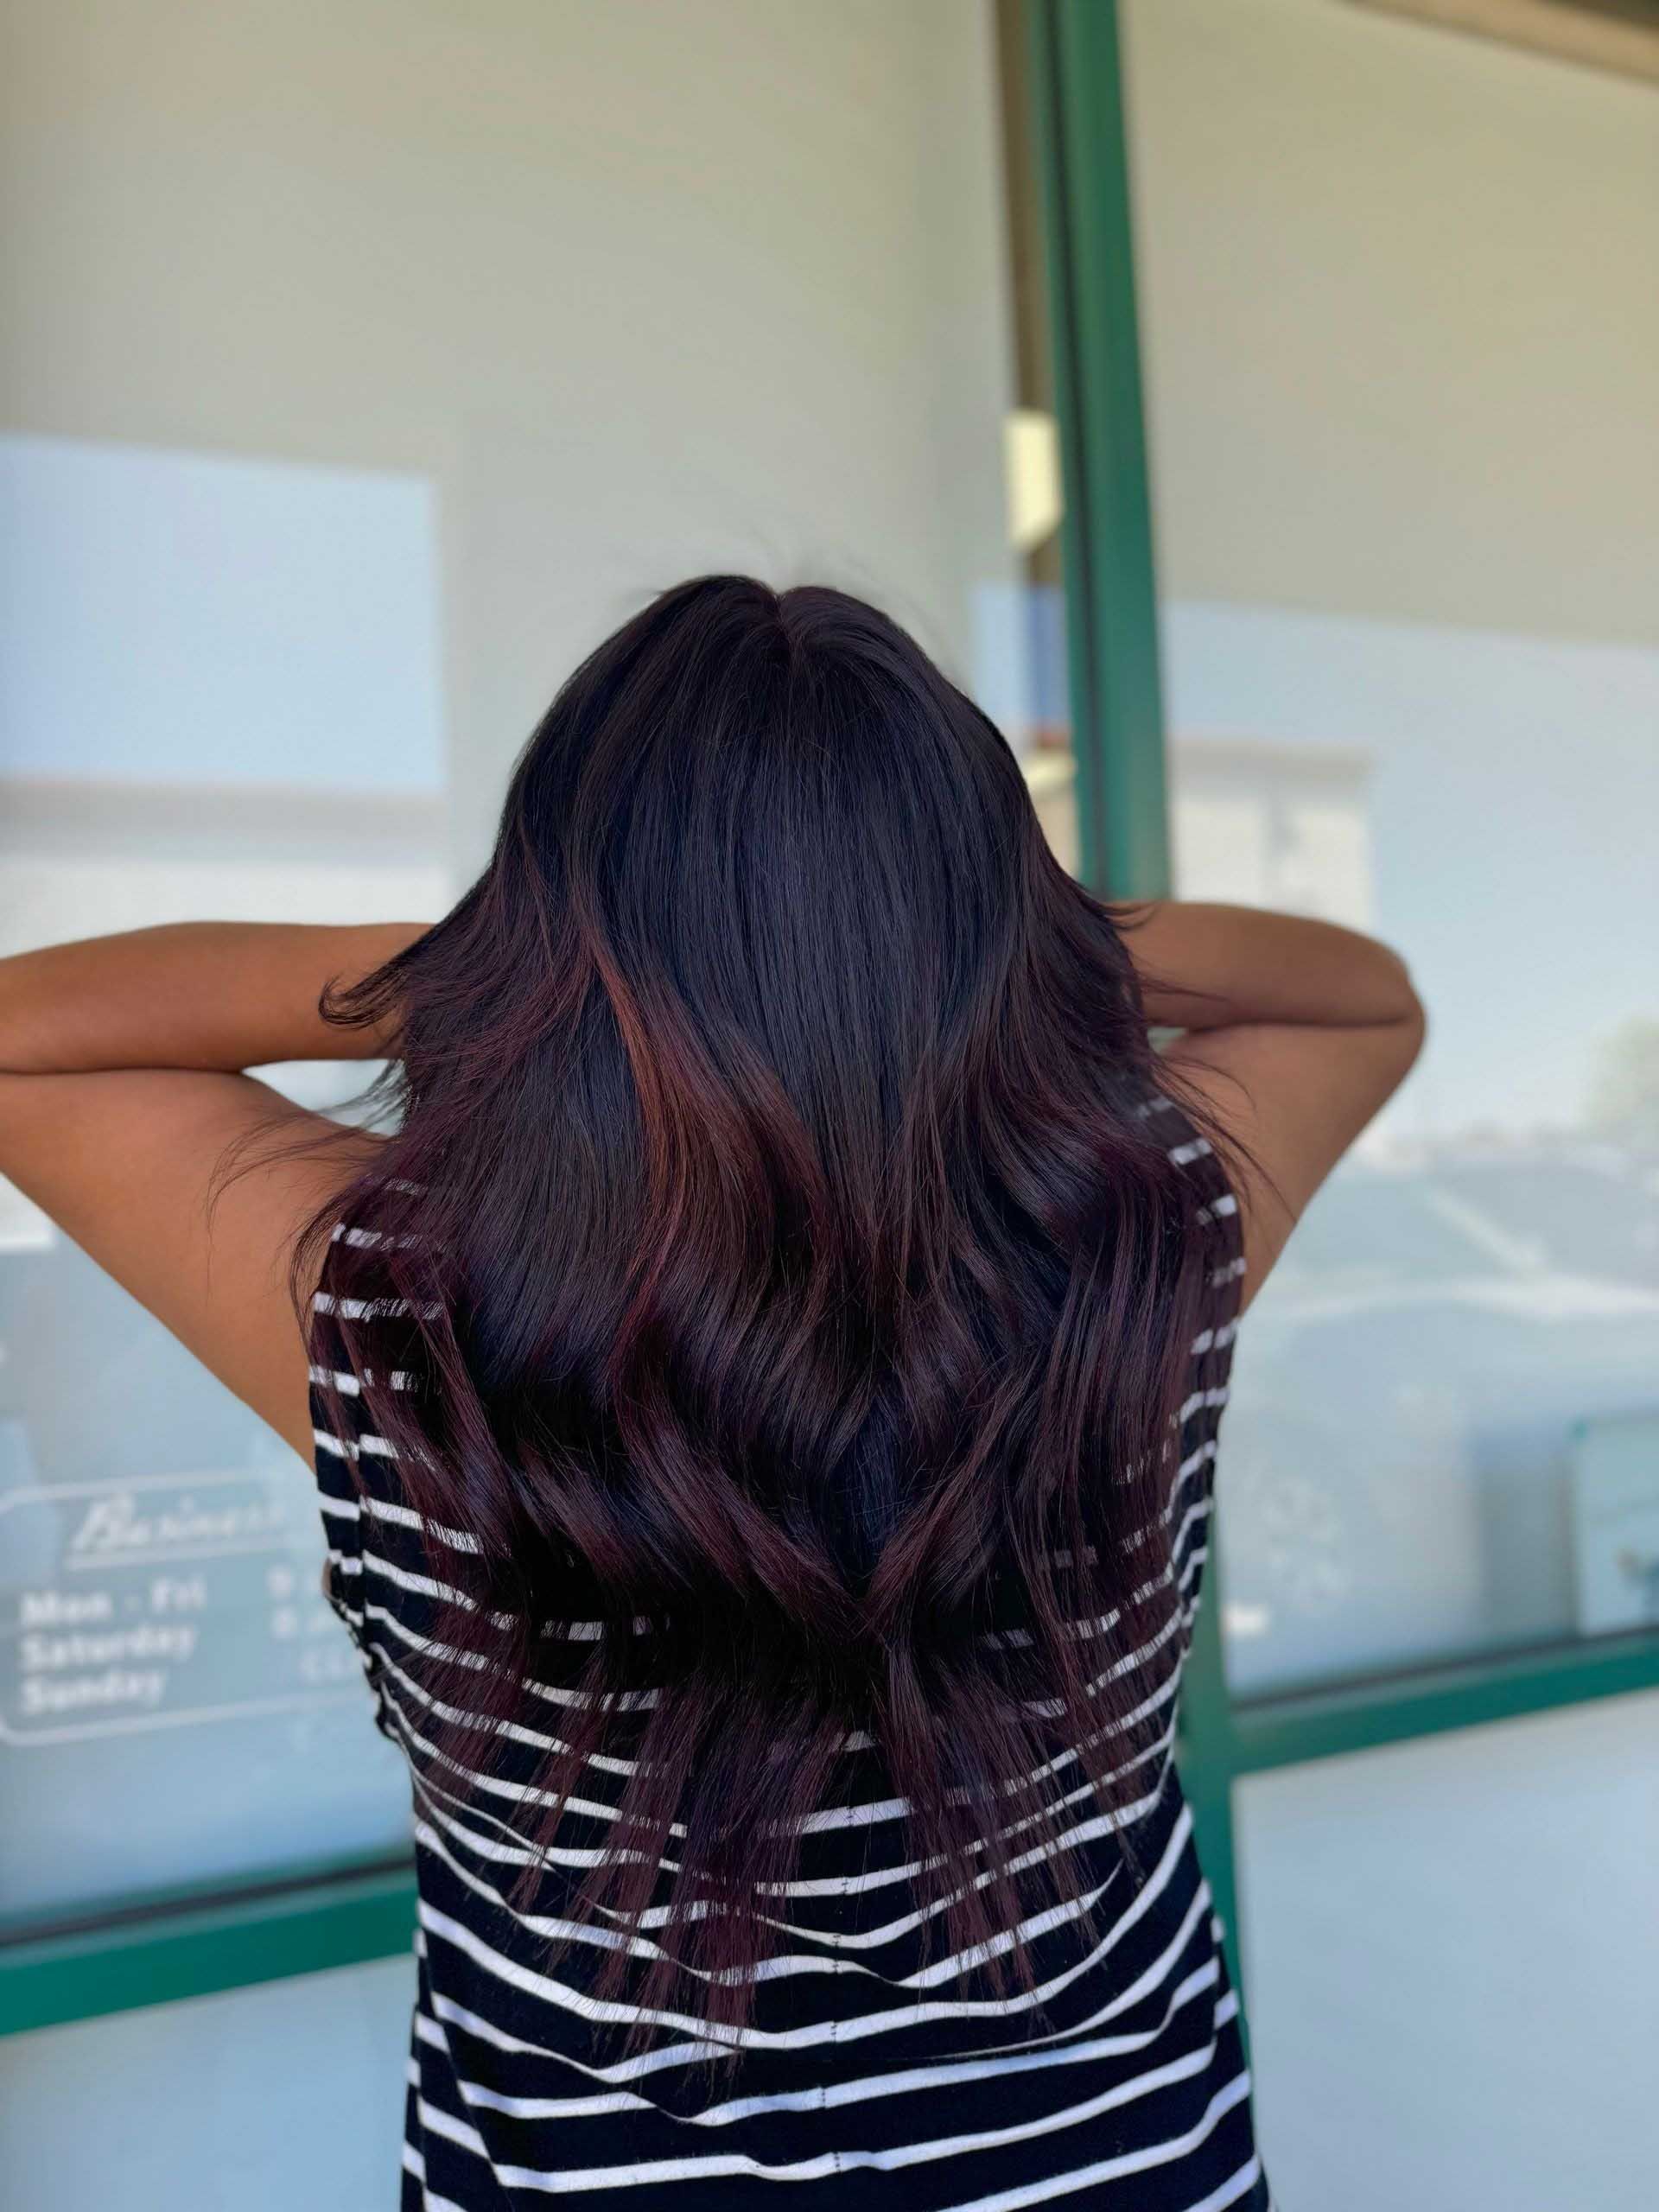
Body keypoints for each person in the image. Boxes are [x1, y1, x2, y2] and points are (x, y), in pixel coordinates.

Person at [0, 577, 1423, 2209]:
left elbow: (22, 1037)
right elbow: (1356, 992)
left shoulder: (407, 1312)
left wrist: (498, 973)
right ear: (982, 905)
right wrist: (999, 947)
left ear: (560, 916)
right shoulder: (1146, 1245)